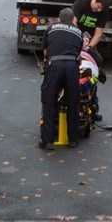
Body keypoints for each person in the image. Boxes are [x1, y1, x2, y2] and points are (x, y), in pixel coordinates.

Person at [39, 8, 83, 150]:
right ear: (72, 20)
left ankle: (48, 140)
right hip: (72, 67)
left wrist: (46, 64)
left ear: (59, 18)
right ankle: (73, 140)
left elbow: (45, 50)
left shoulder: (51, 28)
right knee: (72, 102)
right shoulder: (78, 32)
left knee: (49, 101)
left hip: (55, 65)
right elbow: (78, 52)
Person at [71, 0, 112, 73]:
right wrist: (80, 40)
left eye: (101, 9)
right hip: (75, 35)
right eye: (98, 6)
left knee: (98, 60)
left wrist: (88, 47)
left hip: (88, 41)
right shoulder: (82, 2)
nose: (99, 10)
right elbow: (73, 23)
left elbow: (98, 34)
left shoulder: (103, 12)